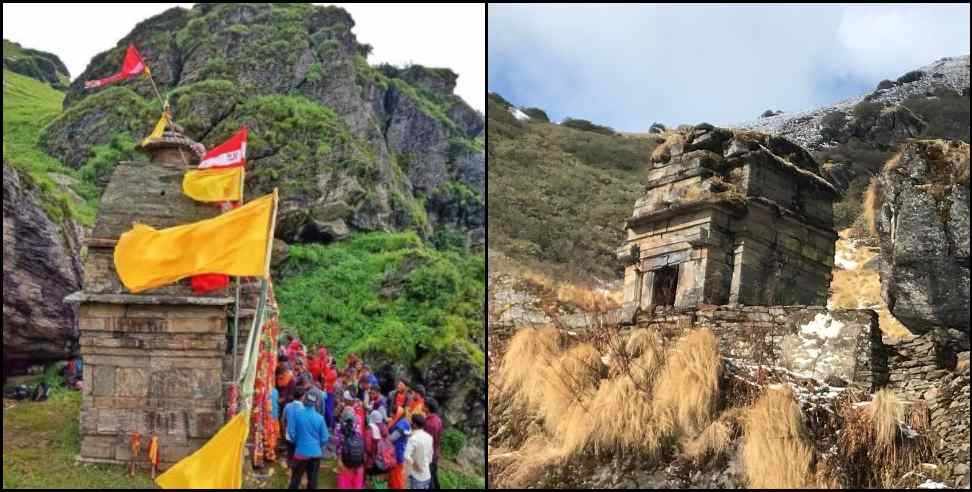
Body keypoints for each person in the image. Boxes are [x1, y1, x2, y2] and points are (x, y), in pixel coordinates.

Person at [288, 391, 329, 490]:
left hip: (300, 452)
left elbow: (291, 433)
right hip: (315, 453)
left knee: (295, 479)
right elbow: (325, 438)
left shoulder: (296, 414)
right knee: (313, 481)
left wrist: (298, 442)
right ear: (316, 403)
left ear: (304, 399)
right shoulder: (320, 418)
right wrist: (316, 445)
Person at [335, 413, 366, 489]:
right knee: (357, 485)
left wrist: (339, 460)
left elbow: (338, 446)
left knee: (344, 485)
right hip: (359, 464)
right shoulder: (358, 429)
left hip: (345, 463)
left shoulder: (339, 428)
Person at [404, 414, 434, 490]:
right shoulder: (429, 437)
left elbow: (406, 455)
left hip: (417, 477)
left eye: (411, 422)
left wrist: (414, 464)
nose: (410, 423)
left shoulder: (413, 439)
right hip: (427, 475)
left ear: (414, 424)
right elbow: (430, 456)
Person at [387, 404, 411, 490]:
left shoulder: (402, 424)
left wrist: (384, 438)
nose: (391, 415)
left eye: (392, 414)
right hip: (398, 450)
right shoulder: (402, 421)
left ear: (397, 413)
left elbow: (393, 438)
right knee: (394, 474)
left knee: (397, 476)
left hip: (398, 452)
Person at [282, 387, 306, 465]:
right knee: (298, 457)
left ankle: (290, 469)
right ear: (302, 397)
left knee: (290, 454)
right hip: (299, 437)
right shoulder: (304, 409)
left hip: (288, 435)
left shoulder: (287, 406)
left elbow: (283, 420)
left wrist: (285, 430)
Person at [424, 399, 444, 489]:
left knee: (429, 478)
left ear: (428, 408)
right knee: (433, 474)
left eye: (424, 405)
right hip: (435, 452)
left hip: (429, 454)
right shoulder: (437, 419)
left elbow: (427, 442)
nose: (422, 406)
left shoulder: (430, 423)